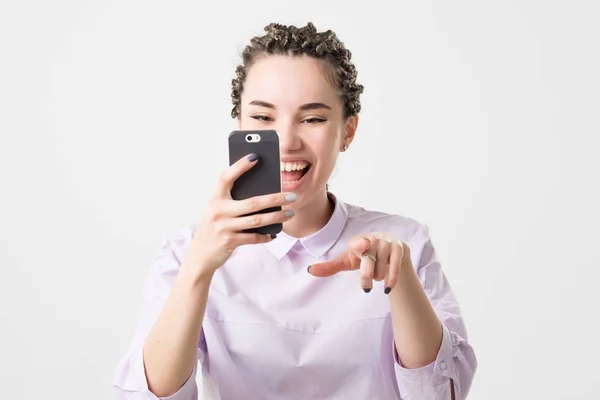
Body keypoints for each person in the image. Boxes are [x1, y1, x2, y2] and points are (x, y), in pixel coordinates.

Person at [112, 22, 477, 400]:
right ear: (238, 122)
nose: (286, 142)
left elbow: (442, 395)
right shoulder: (186, 252)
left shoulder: (404, 243)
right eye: (263, 118)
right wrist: (197, 270)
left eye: (313, 118)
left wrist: (402, 284)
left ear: (347, 131)